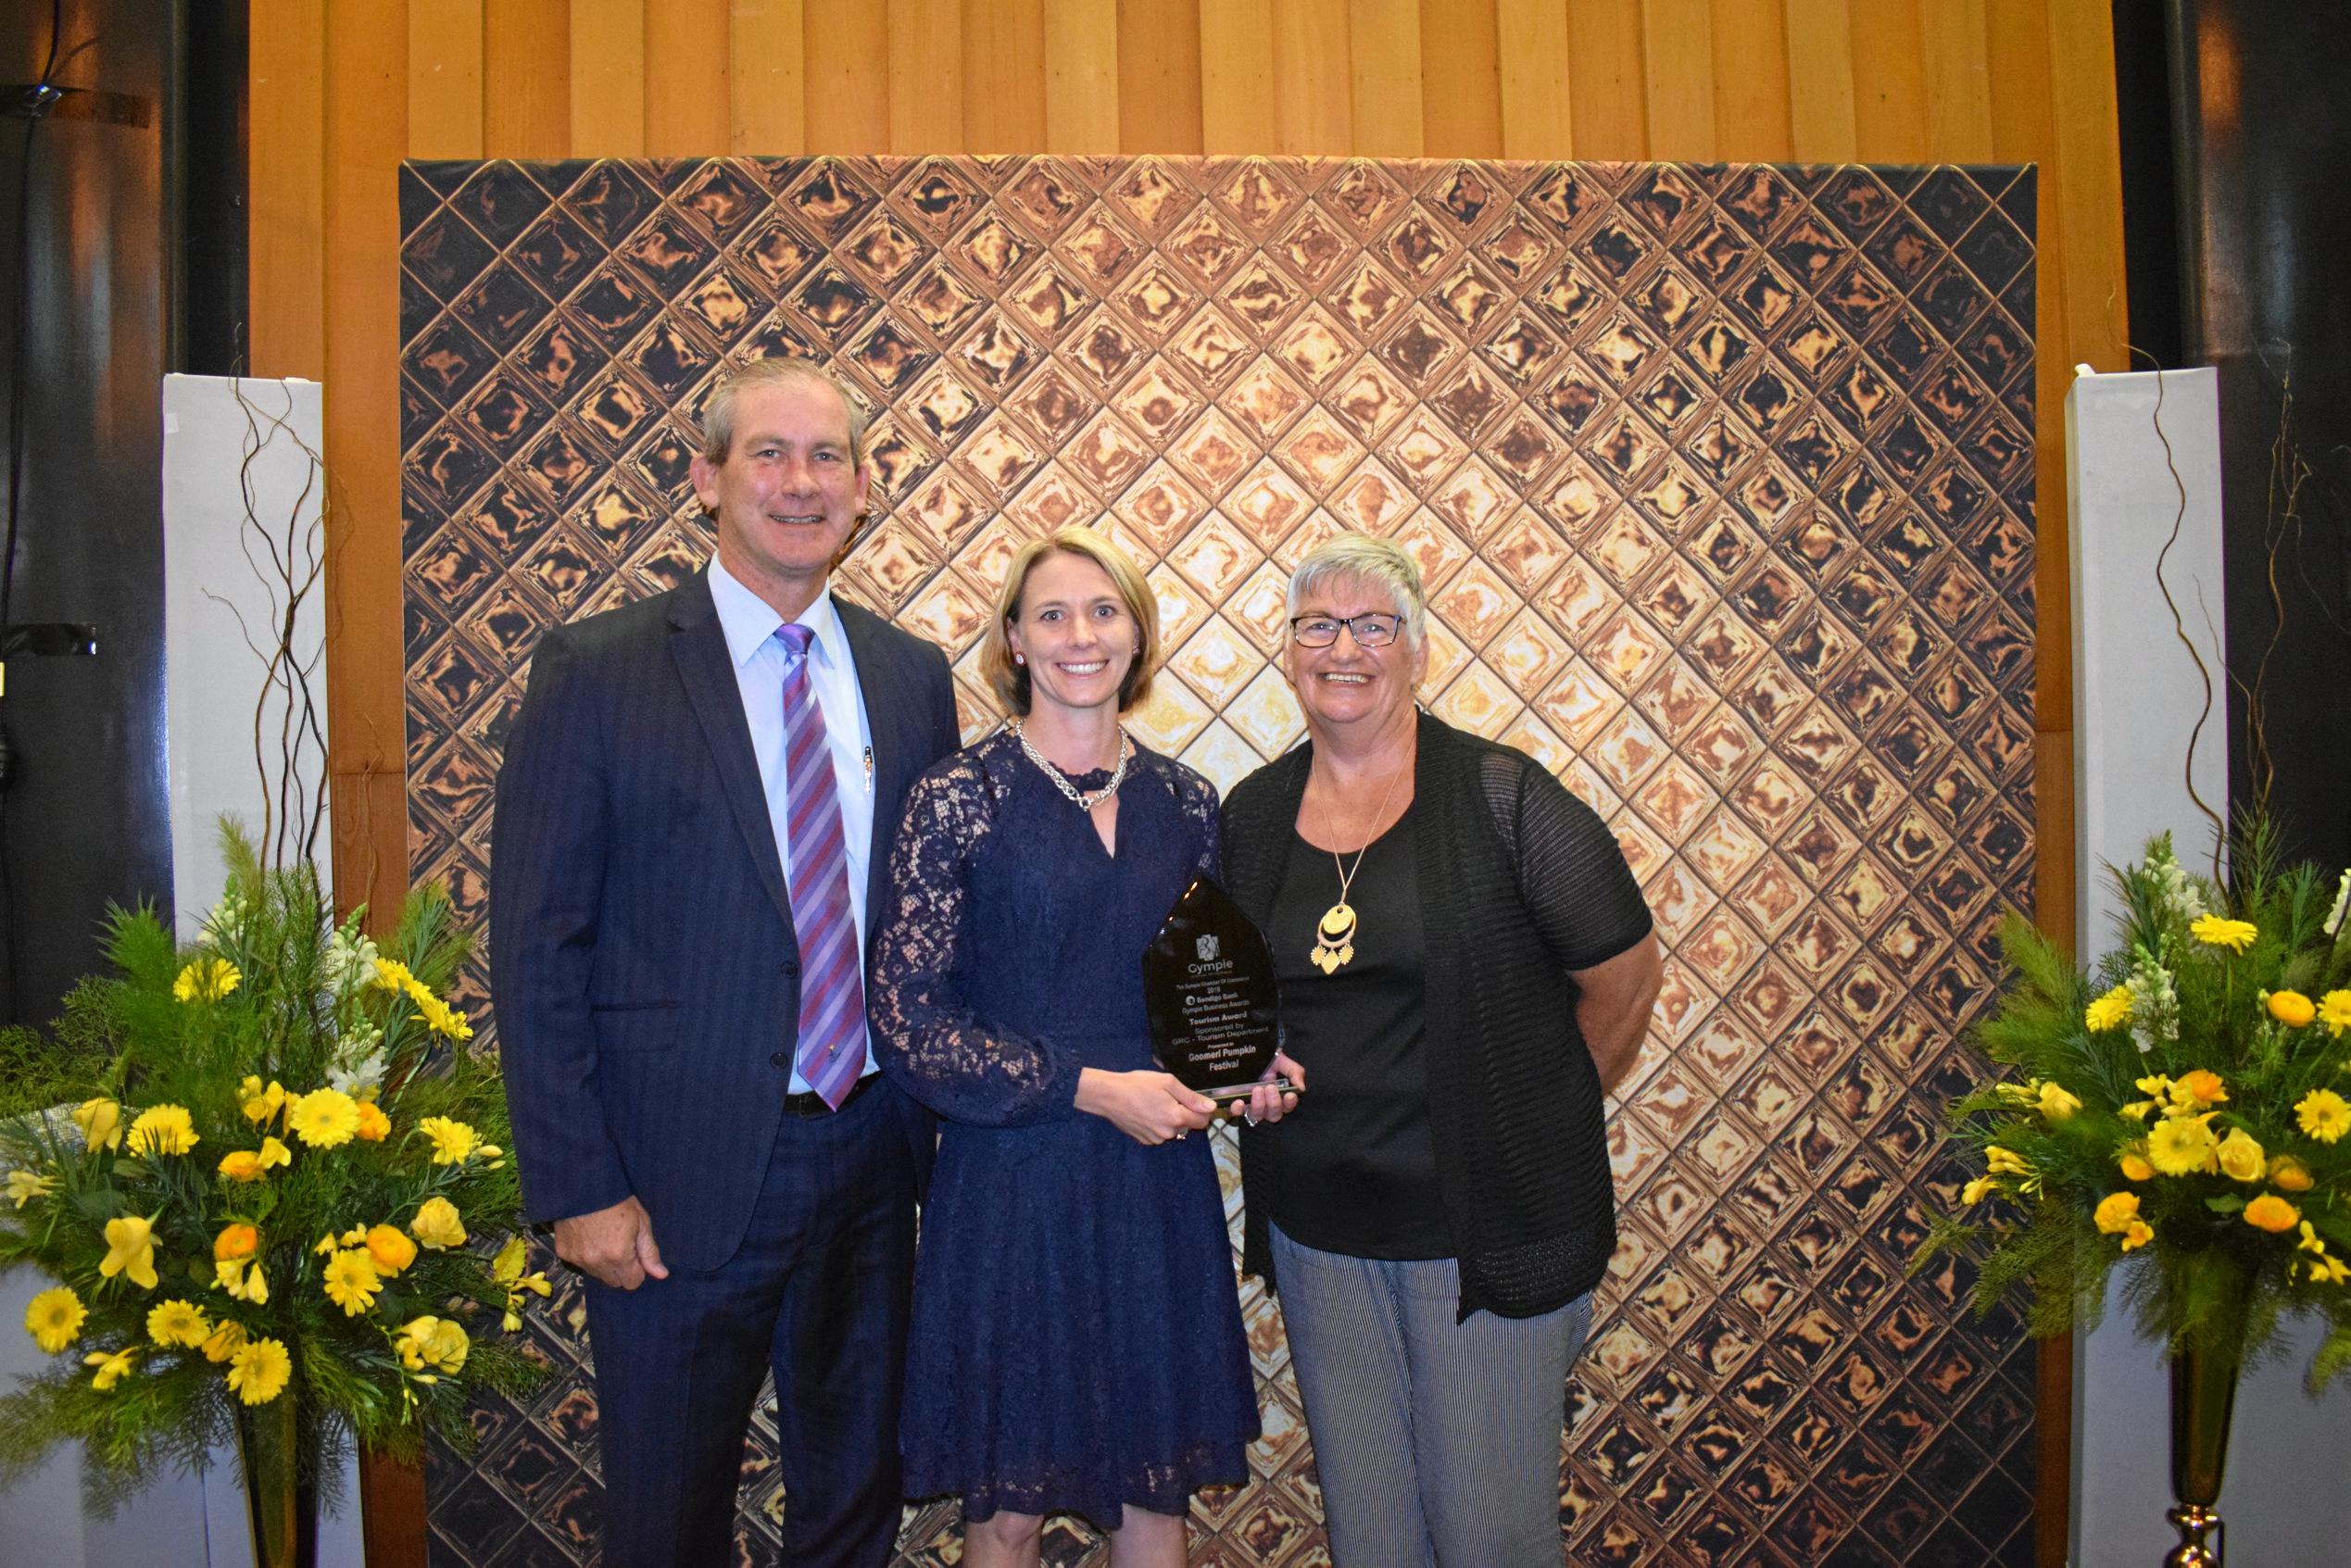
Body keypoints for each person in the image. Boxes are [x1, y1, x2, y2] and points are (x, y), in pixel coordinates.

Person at [491, 358, 961, 1567]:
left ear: (863, 487)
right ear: (706, 477)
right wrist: (576, 1183)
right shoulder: (598, 671)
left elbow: (935, 925)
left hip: (870, 1156)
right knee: (666, 1521)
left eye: (826, 458)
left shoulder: (912, 681)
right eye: (768, 453)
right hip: (669, 1180)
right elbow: (537, 947)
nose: (799, 483)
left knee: (854, 1509)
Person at [1222, 533, 1663, 1568]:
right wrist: (1251, 1066)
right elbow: (1241, 1004)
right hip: (1321, 1236)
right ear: (1289, 649)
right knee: (1371, 1534)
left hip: (1482, 1229)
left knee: (1490, 1536)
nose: (1345, 646)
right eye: (1319, 623)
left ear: (1419, 650)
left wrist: (1532, 1110)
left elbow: (1627, 975)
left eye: (1374, 623)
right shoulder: (1252, 816)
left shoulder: (1502, 797)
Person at [870, 526, 1300, 1568]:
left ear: (1137, 634)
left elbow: (1202, 989)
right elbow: (909, 1021)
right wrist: (1091, 1087)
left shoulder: (1188, 801)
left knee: (1156, 1499)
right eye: (1052, 613)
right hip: (1011, 1185)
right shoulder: (955, 798)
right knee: (1006, 1513)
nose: (1080, 635)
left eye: (1105, 611)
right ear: (1014, 639)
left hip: (1153, 1186)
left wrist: (1249, 1061)